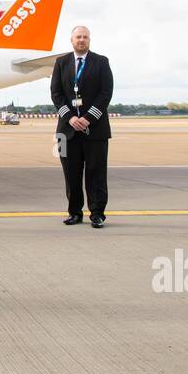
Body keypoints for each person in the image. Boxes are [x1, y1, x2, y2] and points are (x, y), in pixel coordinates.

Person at [50, 25, 113, 228]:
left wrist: (88, 118)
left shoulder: (101, 62)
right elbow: (56, 94)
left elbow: (106, 93)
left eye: (85, 37)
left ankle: (97, 213)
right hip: (67, 131)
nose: (81, 40)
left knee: (96, 173)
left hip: (95, 130)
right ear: (72, 40)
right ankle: (74, 213)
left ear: (89, 40)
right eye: (78, 37)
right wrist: (69, 117)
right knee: (71, 174)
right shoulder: (61, 63)